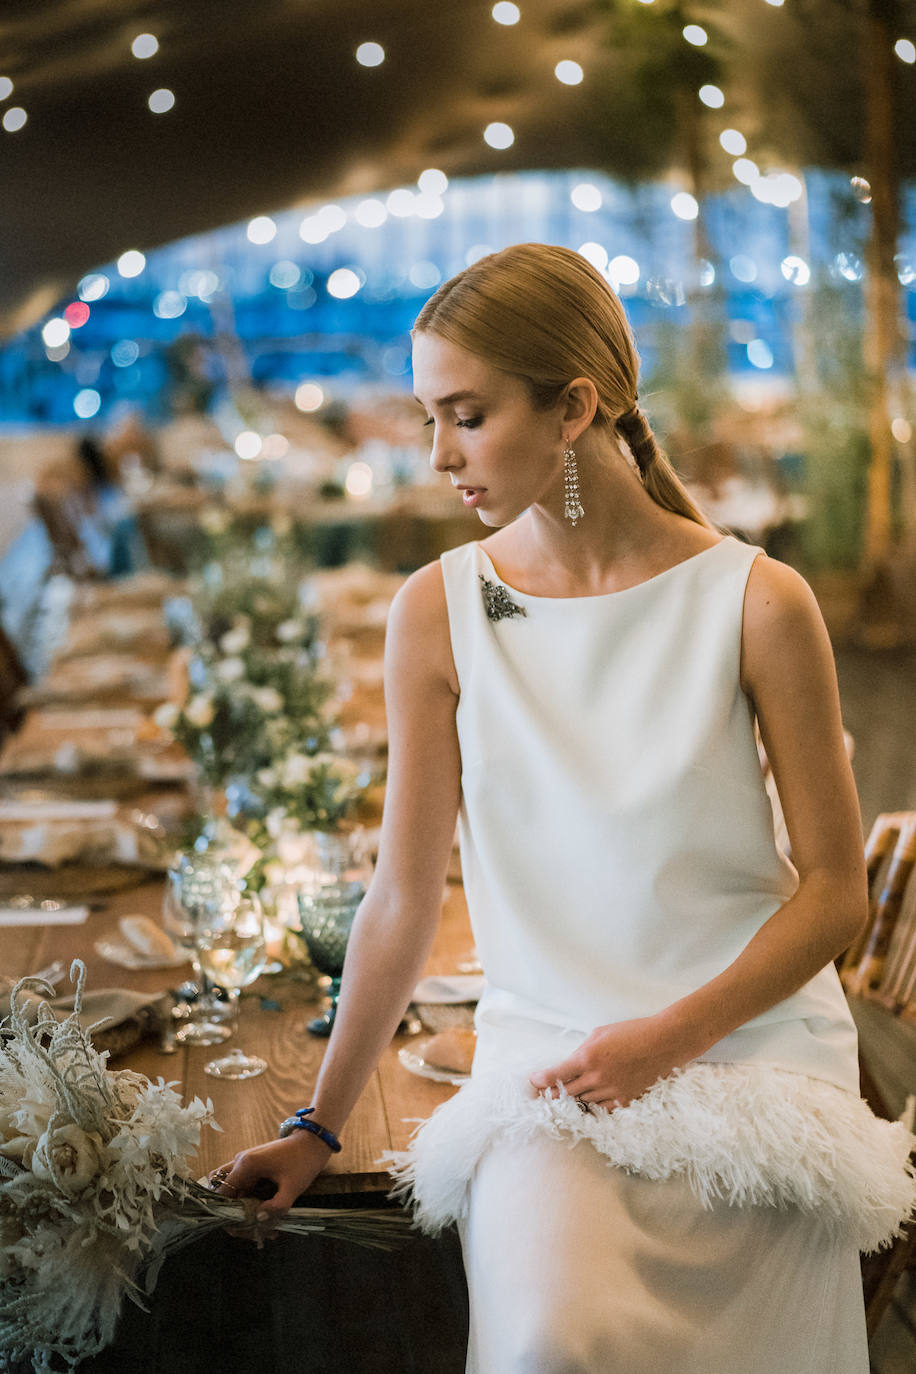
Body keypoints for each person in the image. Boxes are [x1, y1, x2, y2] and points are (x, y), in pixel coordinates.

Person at [215, 244, 915, 1372]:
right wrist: (317, 1123)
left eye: (467, 415)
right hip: (546, 1073)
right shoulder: (435, 610)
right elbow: (400, 894)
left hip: (754, 1058)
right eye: (427, 418)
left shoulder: (758, 600)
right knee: (548, 1341)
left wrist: (669, 1037)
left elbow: (833, 896)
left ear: (575, 405)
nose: (439, 455)